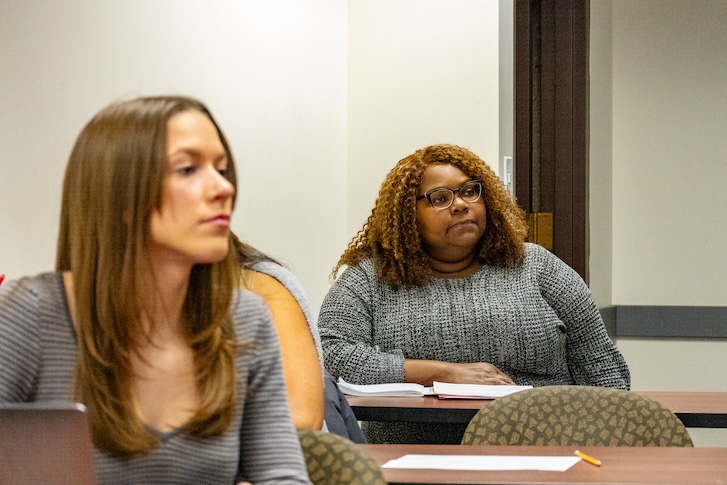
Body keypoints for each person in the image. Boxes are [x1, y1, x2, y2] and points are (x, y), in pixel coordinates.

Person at [0, 96, 311, 484]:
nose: (223, 188)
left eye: (222, 169)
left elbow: (282, 476)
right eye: (187, 169)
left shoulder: (245, 319)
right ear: (120, 195)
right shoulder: (27, 315)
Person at [318, 143, 630, 445]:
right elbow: (332, 355)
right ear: (406, 215)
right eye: (440, 198)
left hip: (544, 452)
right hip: (412, 459)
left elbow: (601, 367)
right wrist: (441, 374)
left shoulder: (535, 265)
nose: (460, 204)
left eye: (469, 192)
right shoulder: (372, 277)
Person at [231, 234, 367, 443]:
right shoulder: (362, 277)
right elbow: (337, 350)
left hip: (283, 455)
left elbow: (302, 423)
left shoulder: (260, 286)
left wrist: (434, 371)